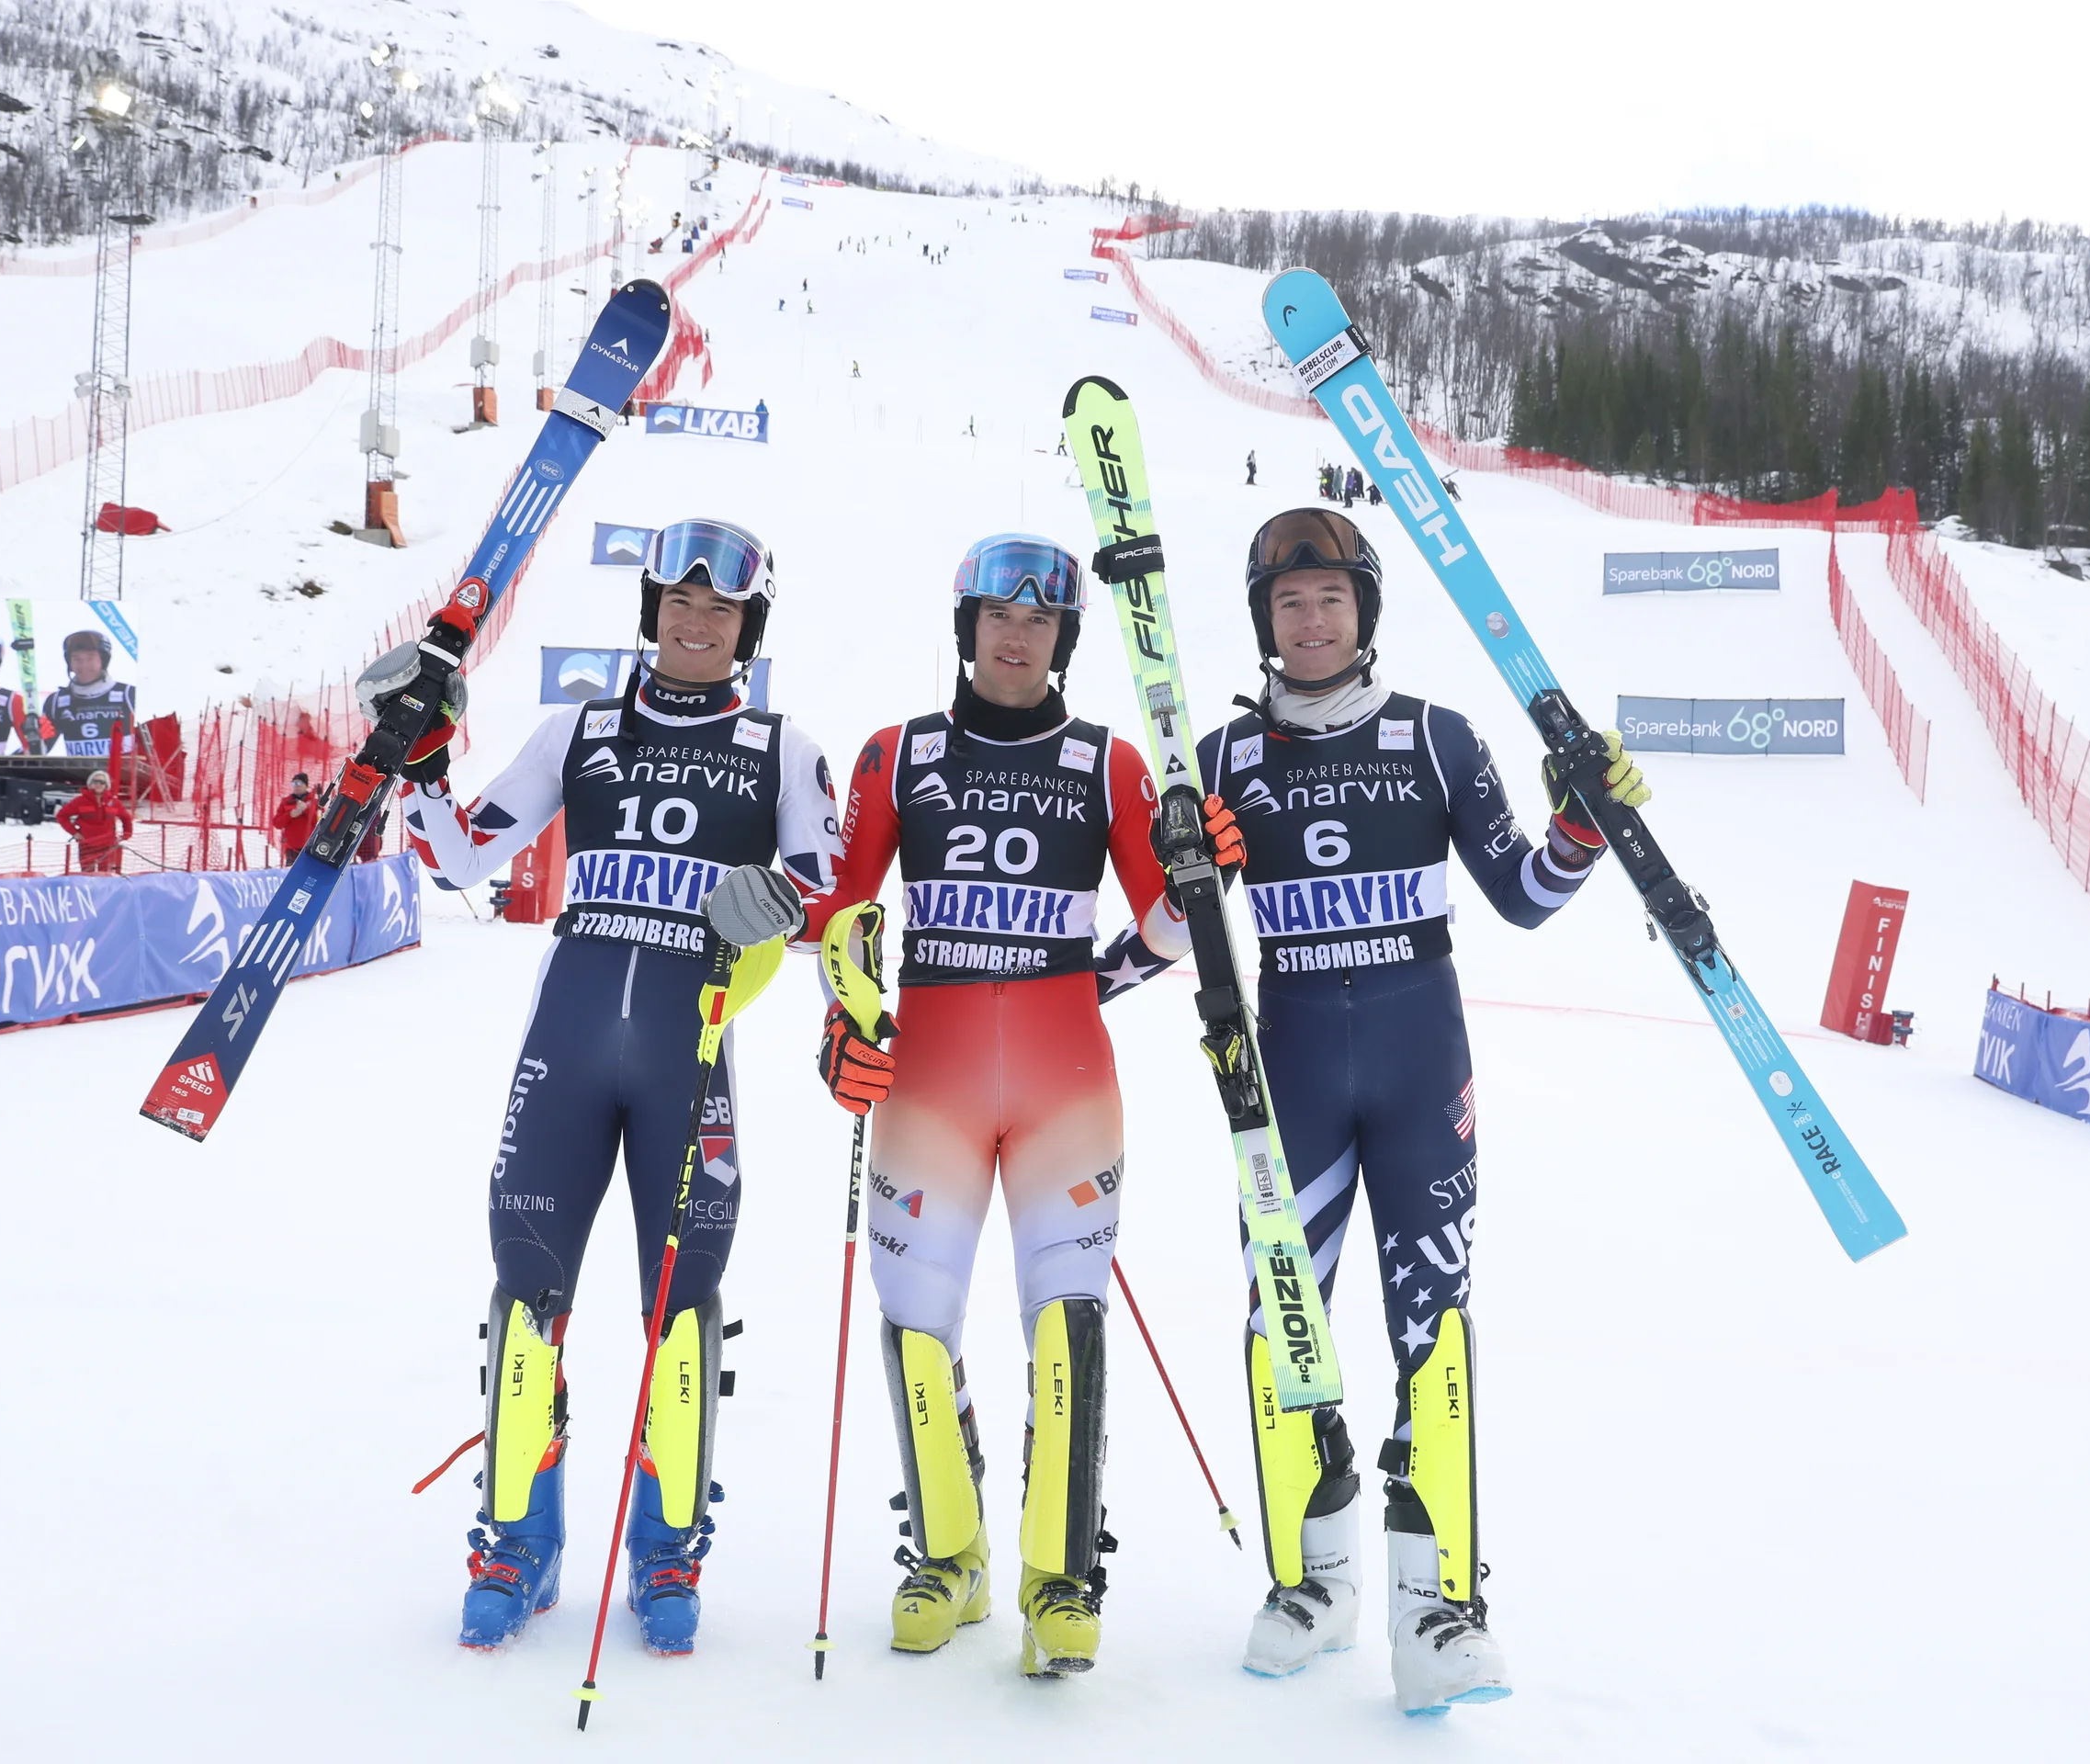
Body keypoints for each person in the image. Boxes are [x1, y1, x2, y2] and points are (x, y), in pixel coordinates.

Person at [1196, 507, 1649, 1713]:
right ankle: (1312, 1577)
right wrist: (1186, 864)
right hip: (1288, 1071)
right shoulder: (1224, 760)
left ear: (1365, 611)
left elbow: (1523, 894)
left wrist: (1578, 828)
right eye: (1289, 605)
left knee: (1433, 1330)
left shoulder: (1436, 740)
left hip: (1417, 1063)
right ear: (1264, 621)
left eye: (1331, 600)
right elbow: (1161, 932)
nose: (1311, 621)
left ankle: (1441, 1606)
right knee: (1279, 1321)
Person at [387, 519, 841, 1655]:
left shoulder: (782, 744)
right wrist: (418, 760)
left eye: (722, 612)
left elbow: (828, 882)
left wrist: (775, 900)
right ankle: (516, 1541)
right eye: (679, 605)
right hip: (572, 1040)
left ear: (749, 629)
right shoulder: (579, 728)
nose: (696, 623)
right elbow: (459, 855)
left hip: (692, 1055)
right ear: (651, 612)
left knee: (683, 1315)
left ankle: (667, 1549)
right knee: (526, 1297)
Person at [784, 534, 1192, 1680]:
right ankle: (947, 1557)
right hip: (929, 1083)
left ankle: (1061, 1579)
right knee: (917, 1327)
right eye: (998, 618)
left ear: (1062, 640)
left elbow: (1166, 930)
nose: (1018, 637)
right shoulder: (895, 753)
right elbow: (842, 914)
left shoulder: (1107, 762)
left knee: (1067, 1323)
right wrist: (843, 1023)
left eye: (1042, 623)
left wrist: (1196, 873)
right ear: (965, 628)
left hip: (1067, 1082)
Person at [40, 630, 137, 761]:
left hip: (121, 778)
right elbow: (39, 751)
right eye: (77, 659)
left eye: (90, 658)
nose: (84, 665)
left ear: (103, 660)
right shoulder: (56, 702)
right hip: (81, 778)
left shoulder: (128, 694)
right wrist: (34, 738)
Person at [53, 769, 131, 873]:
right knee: (87, 876)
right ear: (90, 784)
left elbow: (126, 818)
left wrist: (126, 834)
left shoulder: (114, 802)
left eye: (102, 782)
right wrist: (75, 833)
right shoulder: (80, 801)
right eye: (95, 781)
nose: (98, 784)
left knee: (105, 876)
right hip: (87, 846)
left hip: (107, 846)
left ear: (106, 785)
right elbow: (61, 816)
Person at [270, 774, 319, 860]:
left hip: (310, 846)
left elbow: (320, 822)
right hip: (291, 847)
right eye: (294, 784)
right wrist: (290, 815)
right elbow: (277, 823)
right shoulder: (286, 802)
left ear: (306, 785)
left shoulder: (314, 802)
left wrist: (306, 809)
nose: (297, 786)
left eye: (299, 783)